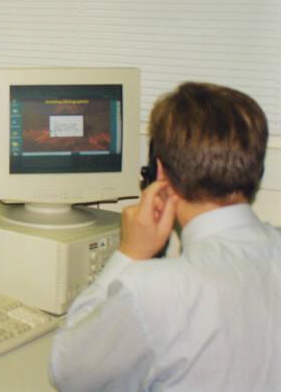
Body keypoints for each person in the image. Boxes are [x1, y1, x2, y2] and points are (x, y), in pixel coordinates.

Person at [49, 82, 280, 391]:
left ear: (159, 172)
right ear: (258, 168)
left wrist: (130, 254)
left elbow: (68, 372)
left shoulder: (154, 290)